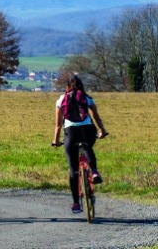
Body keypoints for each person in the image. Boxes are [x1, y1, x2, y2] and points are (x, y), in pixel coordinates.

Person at [50, 75, 109, 214]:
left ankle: (76, 203)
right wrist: (103, 132)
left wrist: (55, 141)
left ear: (67, 86)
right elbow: (97, 117)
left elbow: (58, 125)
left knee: (73, 169)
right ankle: (93, 171)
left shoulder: (60, 100)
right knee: (87, 146)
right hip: (87, 130)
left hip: (70, 133)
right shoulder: (87, 98)